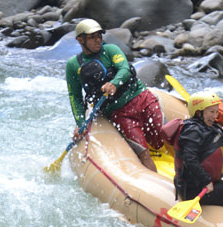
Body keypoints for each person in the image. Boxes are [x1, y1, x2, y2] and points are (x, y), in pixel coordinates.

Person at [66, 19, 163, 172]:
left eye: (99, 35)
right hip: (119, 113)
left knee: (163, 136)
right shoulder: (73, 65)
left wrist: (114, 83)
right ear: (80, 40)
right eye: (92, 37)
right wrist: (80, 123)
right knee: (144, 154)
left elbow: (123, 68)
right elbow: (75, 97)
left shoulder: (110, 50)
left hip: (141, 98)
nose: (98, 40)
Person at [163, 92, 223, 218]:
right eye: (211, 112)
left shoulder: (206, 126)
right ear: (199, 112)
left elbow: (211, 149)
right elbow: (190, 159)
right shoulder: (192, 131)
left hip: (206, 182)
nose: (215, 116)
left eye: (216, 111)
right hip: (193, 187)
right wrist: (206, 180)